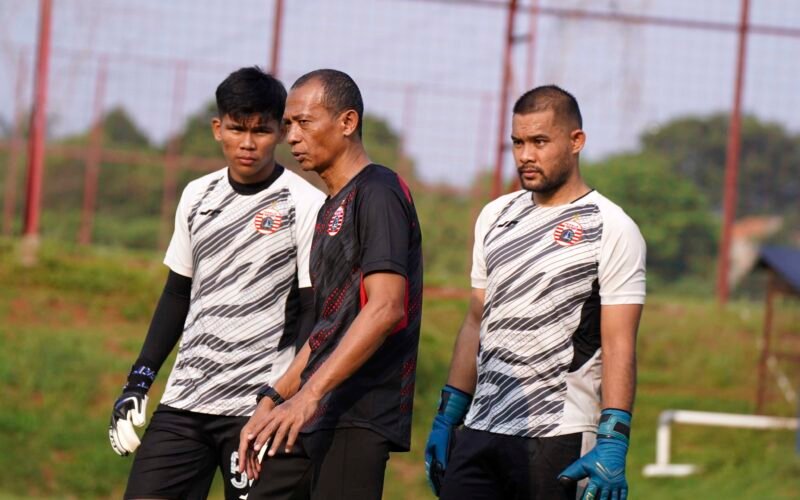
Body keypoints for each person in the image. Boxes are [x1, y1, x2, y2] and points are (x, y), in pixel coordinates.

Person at [107, 66, 325, 500]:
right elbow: (176, 293)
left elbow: (311, 312)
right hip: (186, 401)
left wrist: (285, 399)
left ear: (280, 132)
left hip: (259, 409)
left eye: (261, 131)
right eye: (236, 129)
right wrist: (139, 381)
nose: (247, 143)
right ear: (217, 128)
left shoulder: (306, 204)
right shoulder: (197, 196)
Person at [425, 85, 646, 500]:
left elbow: (619, 343)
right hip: (479, 428)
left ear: (576, 141)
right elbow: (476, 321)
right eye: (518, 142)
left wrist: (614, 440)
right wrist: (447, 415)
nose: (525, 155)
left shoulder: (613, 227)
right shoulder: (495, 215)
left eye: (540, 142)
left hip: (557, 434)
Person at [237, 69, 423, 500]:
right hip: (315, 413)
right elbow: (326, 330)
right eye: (288, 125)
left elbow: (386, 308)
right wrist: (274, 396)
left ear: (347, 122)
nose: (292, 136)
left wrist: (309, 396)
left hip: (357, 413)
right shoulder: (327, 210)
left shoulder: (379, 191)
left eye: (304, 122)